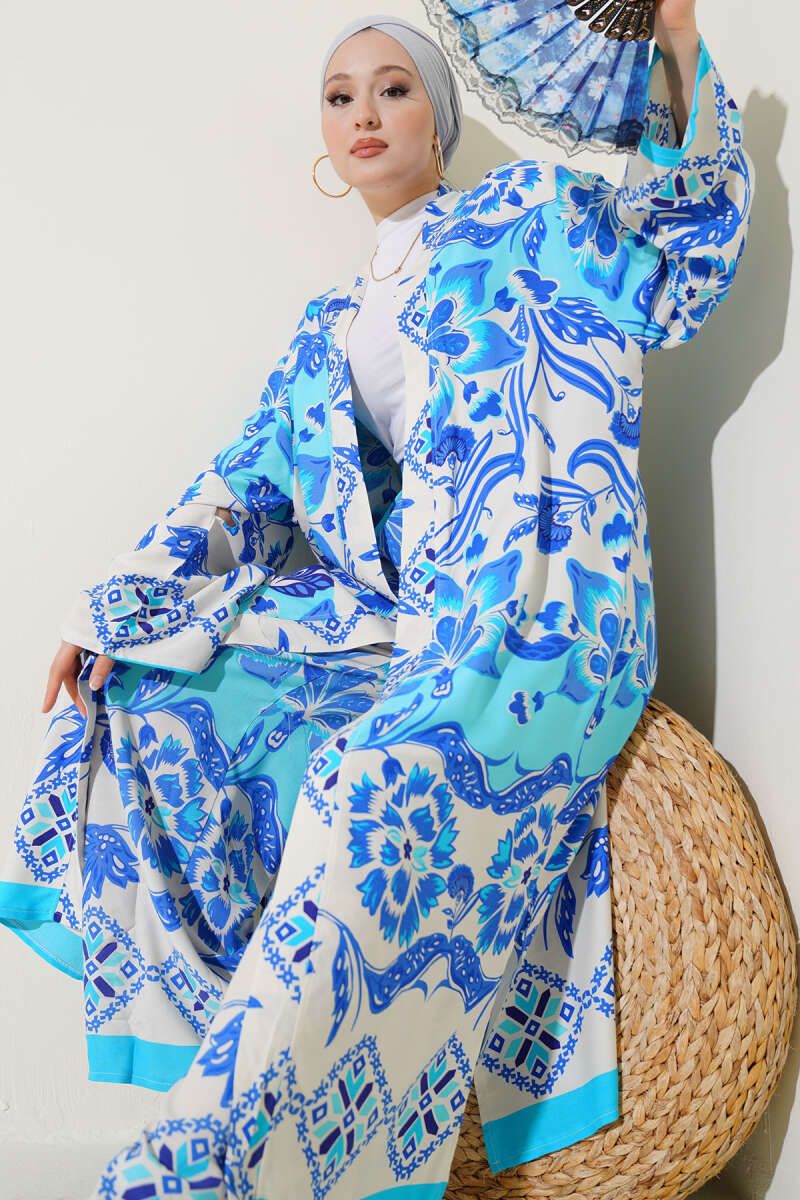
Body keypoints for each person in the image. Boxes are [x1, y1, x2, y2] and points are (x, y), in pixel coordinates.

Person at [0, 4, 753, 1197]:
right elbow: (246, 485)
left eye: (393, 89)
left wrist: (672, 47)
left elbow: (673, 262)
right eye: (339, 96)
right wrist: (113, 612)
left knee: (364, 789)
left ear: (437, 121)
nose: (363, 114)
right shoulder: (327, 330)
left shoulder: (528, 216)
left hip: (537, 617)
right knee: (154, 703)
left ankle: (223, 1158)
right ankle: (242, 1066)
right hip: (407, 626)